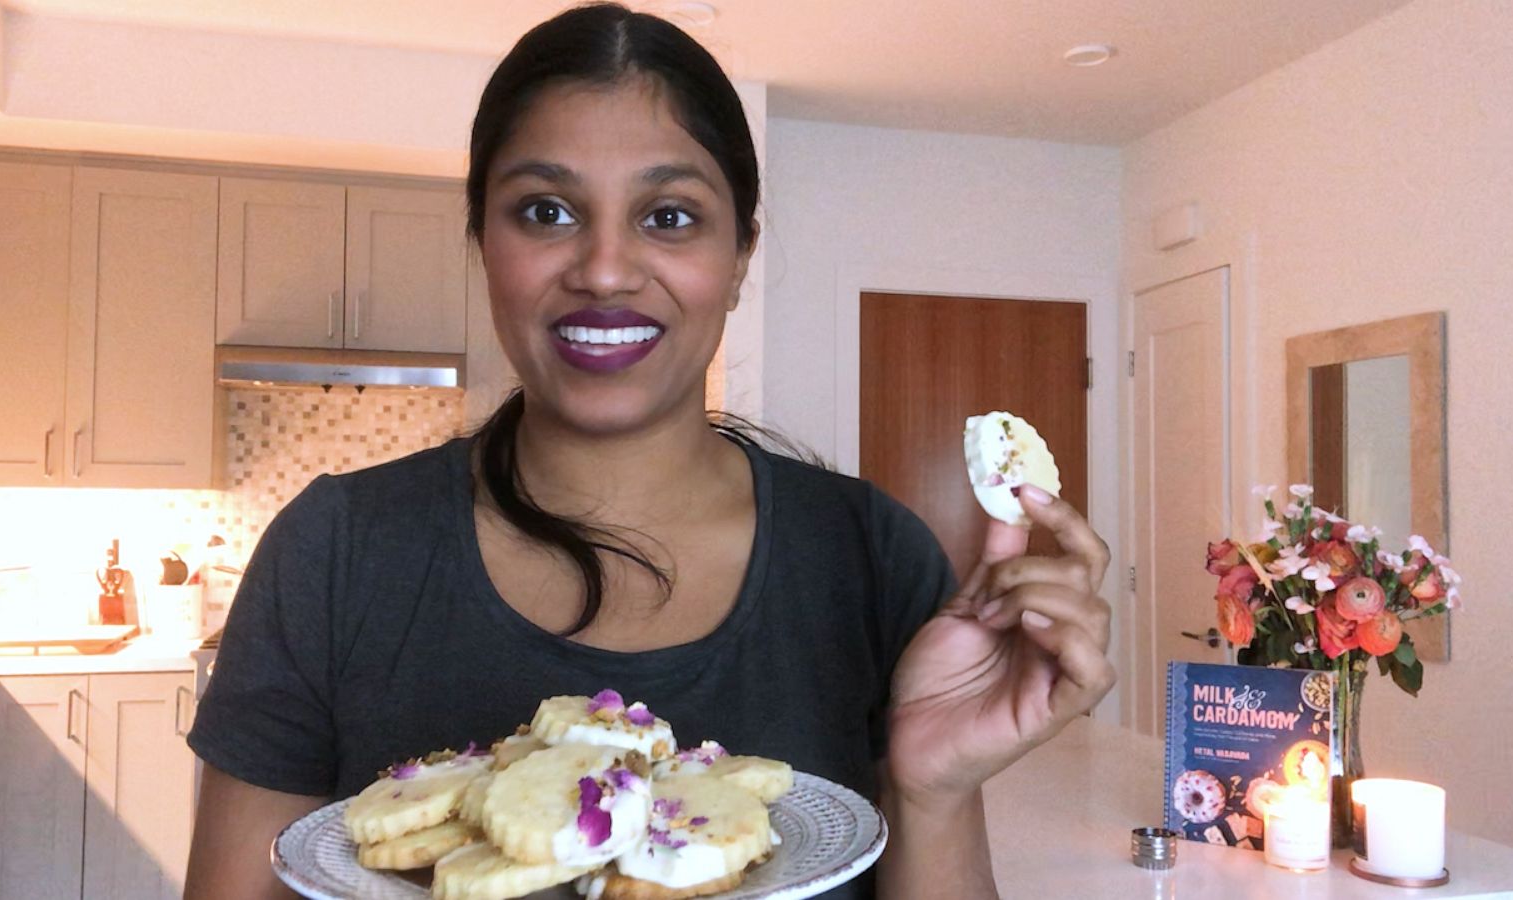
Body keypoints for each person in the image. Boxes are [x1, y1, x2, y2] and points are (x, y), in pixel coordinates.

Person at [182, 4, 1115, 898]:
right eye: (545, 211)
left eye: (668, 216)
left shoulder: (871, 558)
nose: (604, 269)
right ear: (480, 240)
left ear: (742, 253)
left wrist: (935, 790)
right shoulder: (335, 554)